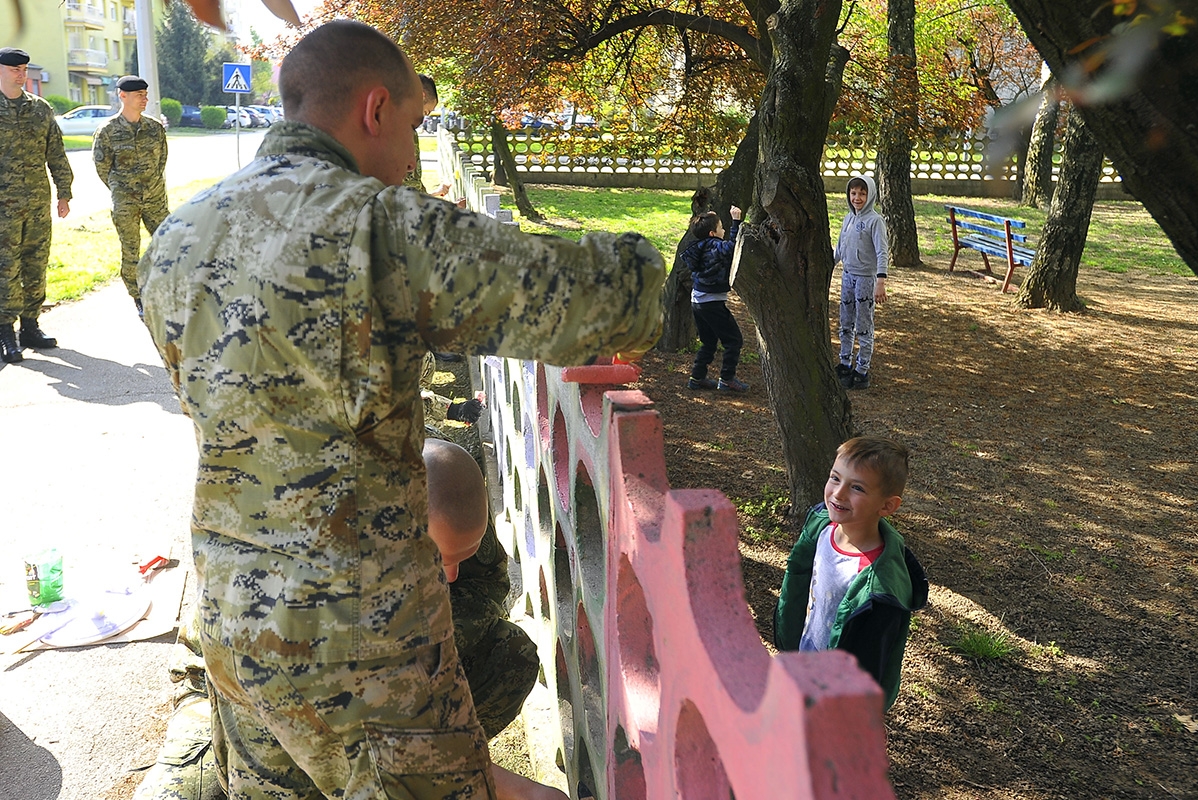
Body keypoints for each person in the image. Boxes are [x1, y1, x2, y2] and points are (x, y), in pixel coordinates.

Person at [137, 20, 663, 800]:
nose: (415, 154)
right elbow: (601, 297)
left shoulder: (178, 237)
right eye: (415, 126)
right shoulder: (374, 226)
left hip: (230, 616)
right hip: (360, 643)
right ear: (375, 109)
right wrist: (657, 262)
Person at [134, 439, 561, 800]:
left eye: (459, 560)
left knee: (507, 657)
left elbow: (483, 587)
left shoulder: (435, 487)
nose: (450, 577)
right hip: (245, 698)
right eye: (436, 563)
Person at [773, 436, 928, 711]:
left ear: (887, 506)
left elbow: (871, 663)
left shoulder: (879, 585)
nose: (838, 494)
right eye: (835, 478)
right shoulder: (822, 528)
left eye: (857, 487)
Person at [0, 47, 72, 363]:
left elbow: (55, 152)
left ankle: (30, 326)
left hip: (37, 203)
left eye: (24, 68)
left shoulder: (40, 109)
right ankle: (6, 333)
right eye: (15, 68)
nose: (21, 73)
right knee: (5, 268)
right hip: (3, 207)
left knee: (35, 263)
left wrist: (64, 192)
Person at [92, 75, 169, 317]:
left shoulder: (154, 128)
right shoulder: (107, 131)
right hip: (126, 202)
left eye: (145, 95)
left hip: (155, 198)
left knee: (168, 243)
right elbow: (102, 167)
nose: (145, 99)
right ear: (122, 96)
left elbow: (162, 160)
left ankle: (165, 288)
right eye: (139, 95)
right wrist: (122, 189)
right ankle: (138, 296)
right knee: (131, 249)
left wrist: (150, 185)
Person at [680, 206, 749, 392]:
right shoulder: (714, 246)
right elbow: (733, 247)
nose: (724, 230)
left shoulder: (701, 246)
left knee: (709, 341)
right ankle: (727, 379)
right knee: (734, 340)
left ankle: (697, 377)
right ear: (712, 233)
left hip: (698, 301)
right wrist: (736, 221)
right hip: (711, 303)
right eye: (721, 227)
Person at [833, 174, 889, 390]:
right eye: (854, 193)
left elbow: (882, 252)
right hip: (848, 276)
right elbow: (840, 247)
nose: (857, 198)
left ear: (870, 195)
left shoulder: (875, 221)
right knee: (845, 322)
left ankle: (862, 369)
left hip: (866, 278)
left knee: (863, 325)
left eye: (862, 194)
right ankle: (845, 362)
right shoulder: (848, 218)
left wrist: (880, 281)